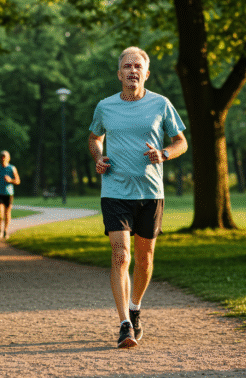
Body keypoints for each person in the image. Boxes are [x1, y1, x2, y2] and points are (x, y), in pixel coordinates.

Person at [88, 46, 188, 348]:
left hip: (150, 192)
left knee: (145, 259)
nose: (132, 71)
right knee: (121, 255)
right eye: (127, 66)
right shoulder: (105, 107)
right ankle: (124, 325)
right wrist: (98, 156)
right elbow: (94, 137)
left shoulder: (161, 104)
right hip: (115, 191)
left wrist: (165, 153)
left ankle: (135, 308)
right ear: (119, 74)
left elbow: (180, 141)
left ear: (146, 73)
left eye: (138, 67)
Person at [0, 151, 20, 239]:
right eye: (1, 157)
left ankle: (6, 230)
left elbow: (18, 181)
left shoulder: (12, 168)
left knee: (7, 212)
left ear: (8, 158)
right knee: (0, 211)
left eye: (4, 156)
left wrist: (10, 180)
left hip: (8, 193)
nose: (3, 158)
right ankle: (0, 228)